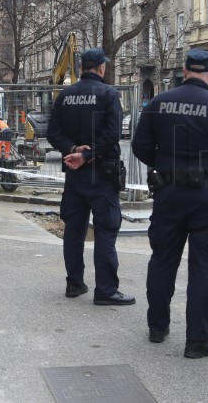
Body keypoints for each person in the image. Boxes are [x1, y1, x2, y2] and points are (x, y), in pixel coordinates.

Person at [131, 48, 208, 358]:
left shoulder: (159, 103)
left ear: (184, 70)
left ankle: (158, 328)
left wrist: (166, 165)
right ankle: (197, 340)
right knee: (204, 268)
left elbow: (140, 146)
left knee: (162, 260)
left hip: (168, 194)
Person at [47, 48, 134, 306]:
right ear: (101, 68)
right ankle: (106, 290)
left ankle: (74, 283)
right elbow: (112, 134)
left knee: (74, 230)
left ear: (82, 68)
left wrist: (74, 150)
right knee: (106, 231)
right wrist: (88, 154)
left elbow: (53, 133)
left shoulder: (65, 95)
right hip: (102, 175)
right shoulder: (109, 95)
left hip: (75, 175)